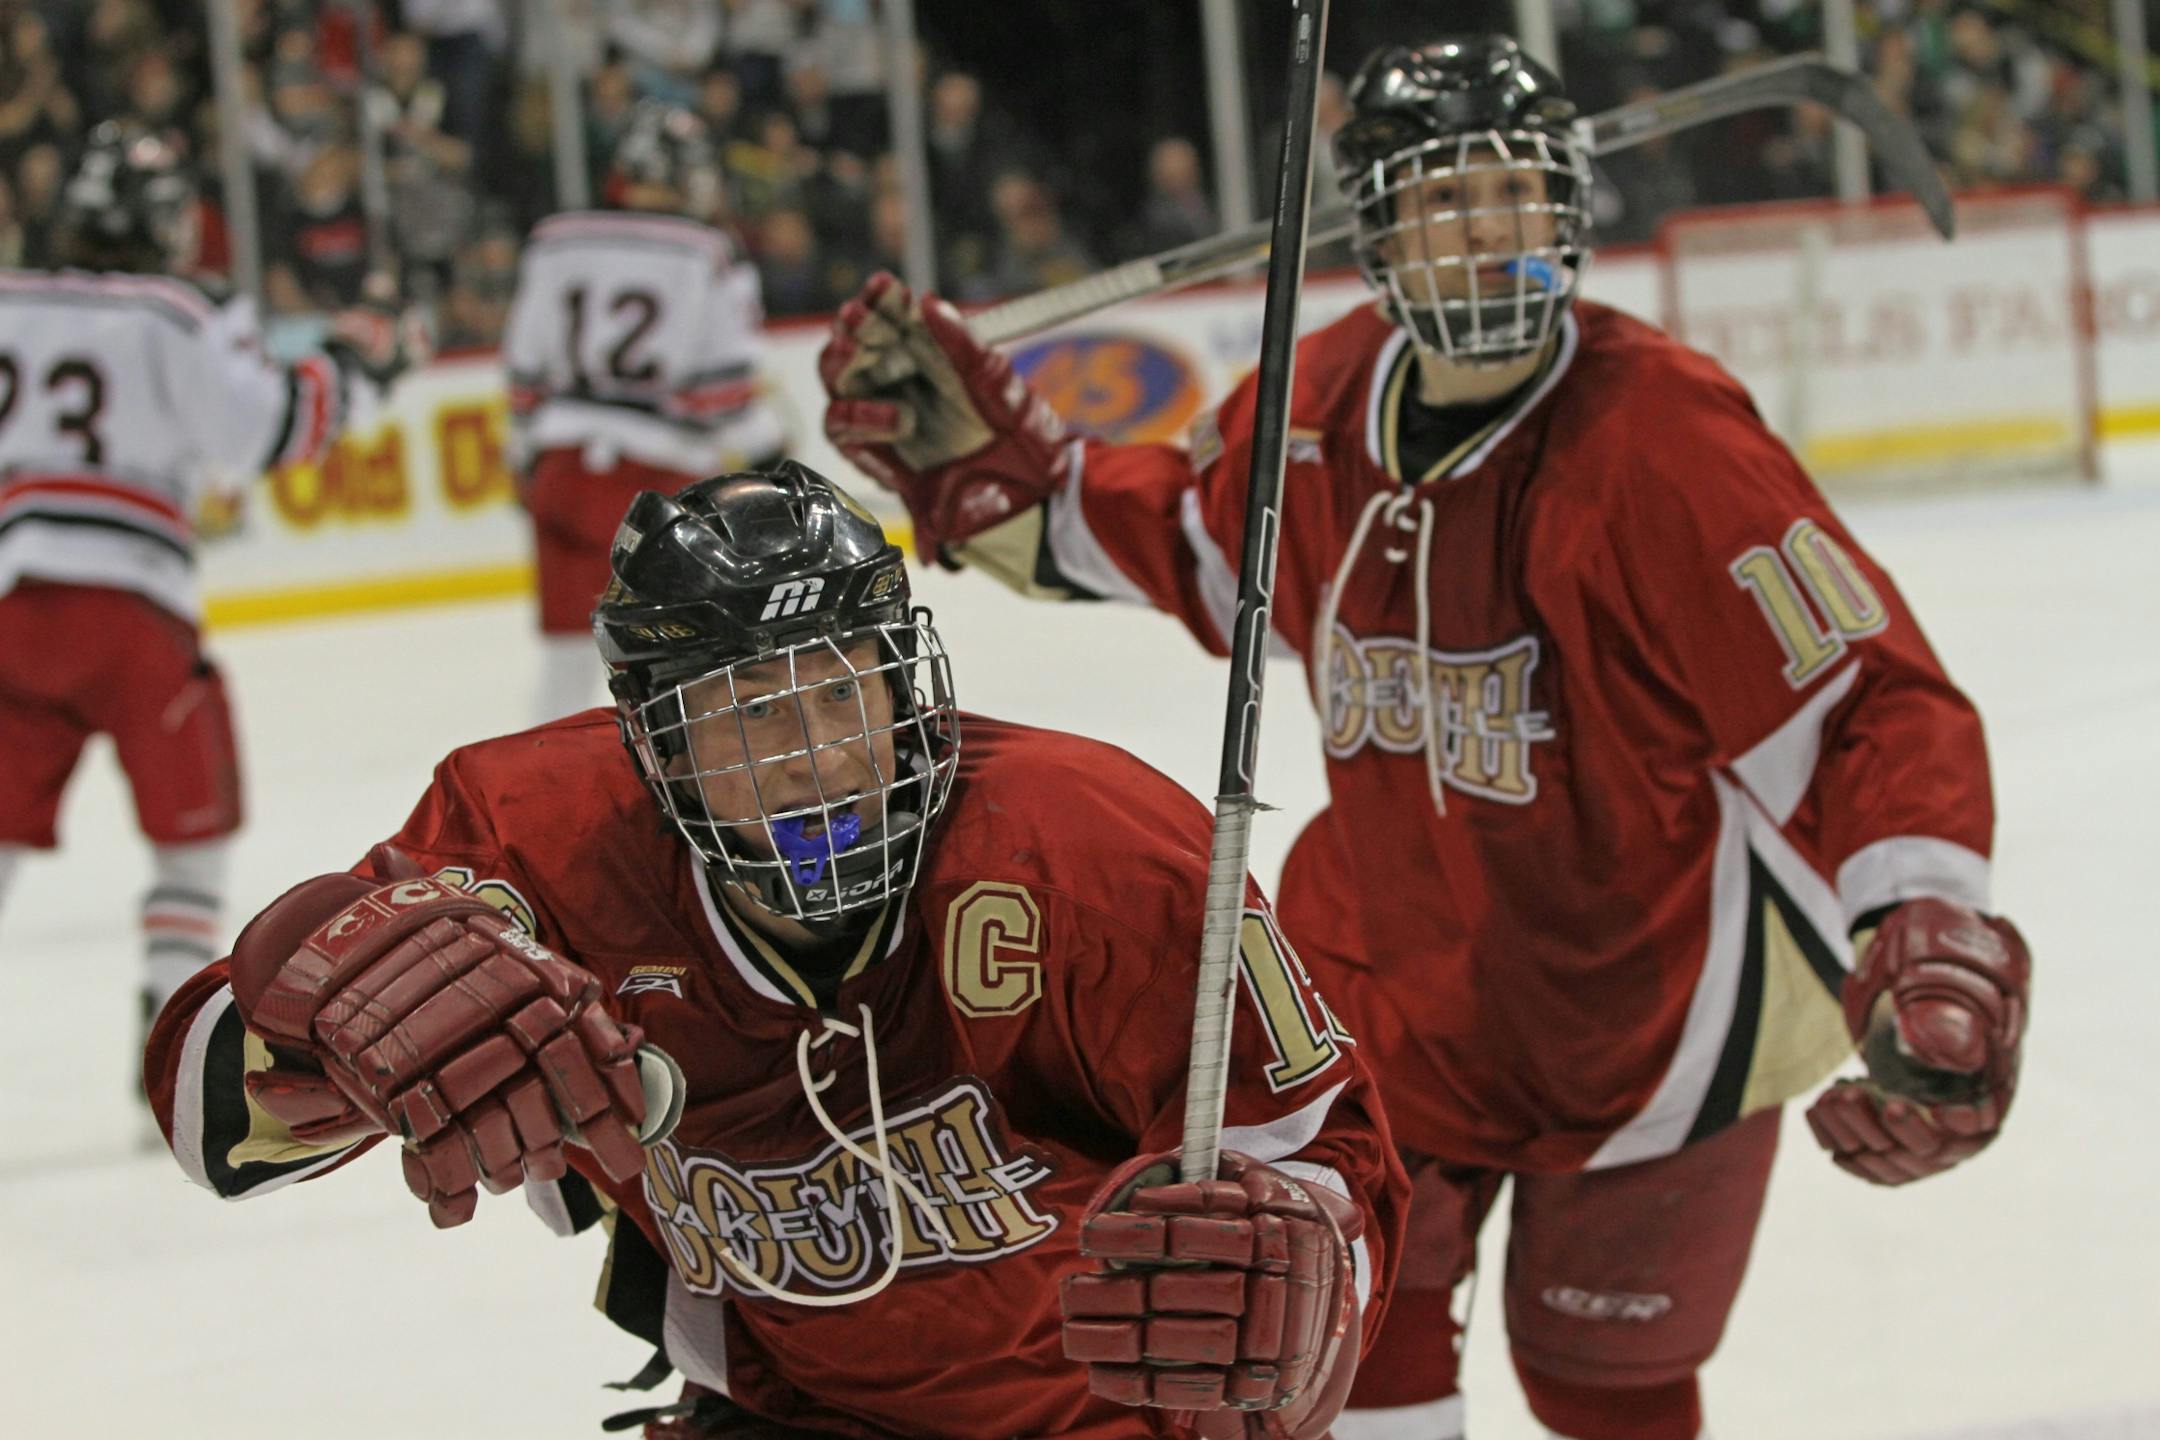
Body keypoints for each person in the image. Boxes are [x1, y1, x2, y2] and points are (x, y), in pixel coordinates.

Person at [817, 37, 2031, 1440]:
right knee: (1348, 1373)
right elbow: (1187, 543)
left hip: (1650, 1030)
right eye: (1447, 204)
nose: (1489, 236)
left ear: (1569, 211)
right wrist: (998, 466)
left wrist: (1928, 925)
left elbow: (1860, 702)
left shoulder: (1666, 440)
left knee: (1605, 1387)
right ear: (1378, 232)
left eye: (1517, 195)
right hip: (1388, 1003)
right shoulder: (1319, 400)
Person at [141, 460, 1409, 1440]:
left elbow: (1321, 1149)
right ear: (652, 742)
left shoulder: (1100, 852)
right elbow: (210, 1118)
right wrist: (313, 1018)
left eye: (839, 687)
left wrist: (1306, 1263)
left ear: (906, 680)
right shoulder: (536, 840)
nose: (808, 755)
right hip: (784, 1409)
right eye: (743, 712)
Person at [0, 120, 401, 1111]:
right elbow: (268, 428)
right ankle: (166, 1046)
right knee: (191, 842)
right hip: (136, 612)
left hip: (13, 600)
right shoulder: (177, 313)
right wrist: (354, 365)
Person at [504, 101, 787, 722]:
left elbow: (523, 376)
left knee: (562, 669)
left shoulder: (554, 239)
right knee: (677, 674)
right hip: (652, 487)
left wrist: (523, 459)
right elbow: (725, 393)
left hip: (560, 471)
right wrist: (772, 457)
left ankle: (533, 802)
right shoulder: (708, 251)